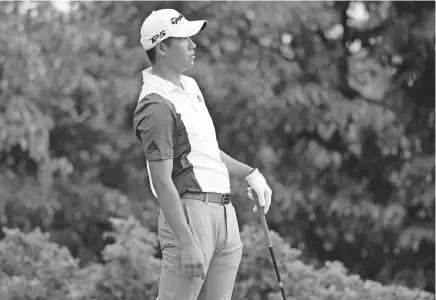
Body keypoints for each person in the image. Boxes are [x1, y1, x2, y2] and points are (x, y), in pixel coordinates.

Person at [133, 8, 272, 300]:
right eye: (185, 39)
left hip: (224, 213)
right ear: (162, 46)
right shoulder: (155, 105)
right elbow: (161, 181)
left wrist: (250, 174)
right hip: (190, 215)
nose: (194, 45)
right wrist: (186, 241)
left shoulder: (191, 87)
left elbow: (205, 151)